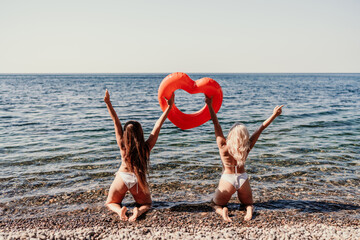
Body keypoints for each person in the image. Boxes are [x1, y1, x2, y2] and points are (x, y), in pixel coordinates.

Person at [205, 95, 283, 222]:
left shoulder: (223, 146)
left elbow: (215, 122)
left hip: (227, 179)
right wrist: (274, 115)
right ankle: (249, 211)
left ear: (231, 134)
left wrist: (209, 104)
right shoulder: (247, 147)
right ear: (244, 137)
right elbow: (261, 128)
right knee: (248, 203)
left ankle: (223, 212)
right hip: (242, 179)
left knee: (216, 204)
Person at [104, 89, 174, 221]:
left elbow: (115, 121)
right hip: (138, 180)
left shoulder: (122, 146)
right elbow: (158, 125)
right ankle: (138, 212)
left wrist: (108, 103)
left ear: (125, 134)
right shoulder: (146, 147)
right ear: (141, 133)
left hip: (123, 177)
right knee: (146, 204)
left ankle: (120, 211)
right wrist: (169, 107)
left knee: (110, 203)